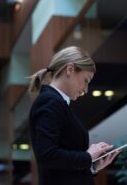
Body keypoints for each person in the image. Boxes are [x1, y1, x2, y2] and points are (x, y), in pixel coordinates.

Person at [28, 46, 120, 185]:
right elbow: (47, 155)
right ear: (70, 69)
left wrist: (91, 167)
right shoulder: (50, 101)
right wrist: (88, 157)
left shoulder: (56, 102)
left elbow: (59, 167)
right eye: (86, 80)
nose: (86, 89)